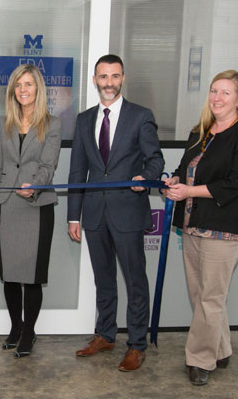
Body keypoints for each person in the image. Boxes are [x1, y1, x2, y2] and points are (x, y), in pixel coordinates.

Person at [67, 54, 164, 371]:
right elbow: (77, 170)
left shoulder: (141, 116)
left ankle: (137, 345)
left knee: (136, 281)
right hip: (94, 215)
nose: (109, 82)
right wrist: (73, 215)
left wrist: (146, 179)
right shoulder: (83, 120)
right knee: (104, 279)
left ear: (123, 78)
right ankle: (105, 334)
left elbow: (155, 159)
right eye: (103, 77)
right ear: (95, 80)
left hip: (128, 213)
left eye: (114, 76)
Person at [164, 70, 238, 386]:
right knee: (201, 296)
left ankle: (199, 359)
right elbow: (183, 170)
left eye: (225, 92)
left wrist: (190, 192)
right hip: (192, 226)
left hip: (222, 230)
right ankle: (220, 348)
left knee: (211, 298)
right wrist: (173, 182)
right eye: (213, 91)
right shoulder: (201, 132)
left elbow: (233, 183)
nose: (217, 98)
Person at [0, 64, 62, 357]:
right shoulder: (2, 122)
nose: (23, 90)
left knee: (32, 275)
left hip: (36, 206)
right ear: (13, 91)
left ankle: (29, 332)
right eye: (18, 85)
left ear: (38, 88)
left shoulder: (52, 124)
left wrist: (36, 185)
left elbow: (49, 164)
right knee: (12, 274)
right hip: (7, 205)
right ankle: (15, 327)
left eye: (28, 84)